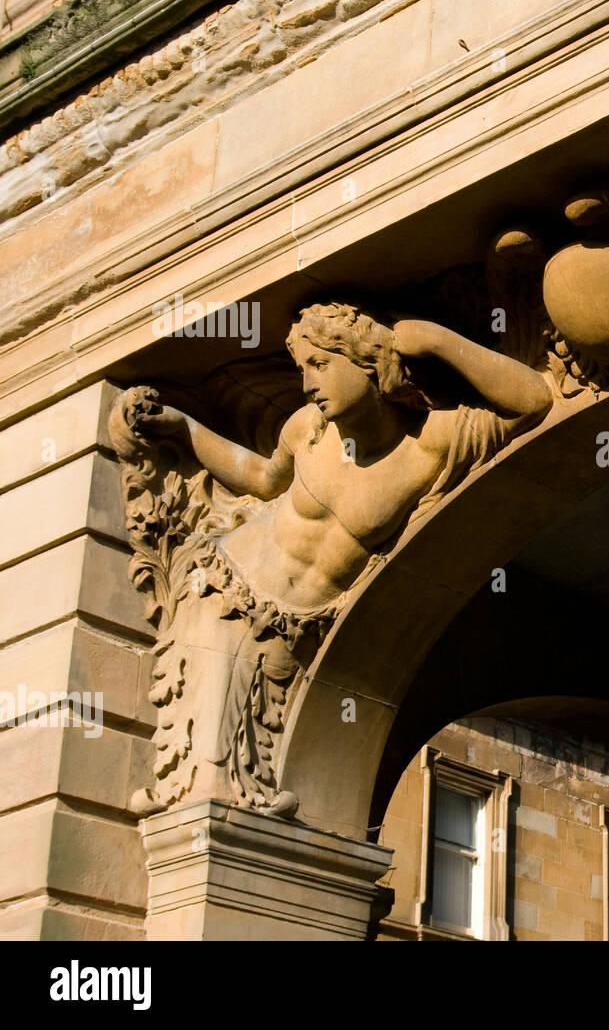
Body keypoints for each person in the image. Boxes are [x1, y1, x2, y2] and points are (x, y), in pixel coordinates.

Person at [115, 303, 552, 815]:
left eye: (320, 365)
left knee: (253, 778)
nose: (306, 385)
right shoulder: (308, 429)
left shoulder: (431, 442)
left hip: (299, 624)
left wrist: (432, 336)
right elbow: (260, 480)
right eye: (302, 369)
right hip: (226, 585)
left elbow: (532, 402)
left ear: (368, 362)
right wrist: (185, 429)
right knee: (204, 772)